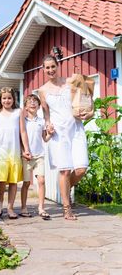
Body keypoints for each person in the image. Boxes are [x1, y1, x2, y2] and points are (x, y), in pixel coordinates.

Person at [39, 55, 93, 220]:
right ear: (43, 69)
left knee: (81, 169)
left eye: (53, 66)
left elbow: (89, 105)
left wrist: (89, 113)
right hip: (59, 133)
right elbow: (46, 114)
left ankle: (66, 185)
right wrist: (47, 124)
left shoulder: (72, 82)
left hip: (76, 128)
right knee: (64, 170)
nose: (50, 70)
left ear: (58, 65)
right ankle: (67, 208)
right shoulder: (42, 90)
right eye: (47, 68)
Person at [0, 87, 31, 219]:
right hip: (2, 151)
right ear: (0, 99)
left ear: (13, 99)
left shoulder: (18, 112)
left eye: (9, 98)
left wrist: (26, 149)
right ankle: (0, 200)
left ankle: (10, 208)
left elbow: (23, 132)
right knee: (1, 179)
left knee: (13, 181)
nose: (7, 100)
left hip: (15, 151)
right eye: (4, 98)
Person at [20, 94, 54, 220]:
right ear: (26, 107)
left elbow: (45, 139)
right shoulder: (23, 121)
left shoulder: (41, 121)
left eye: (35, 102)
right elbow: (20, 138)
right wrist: (24, 151)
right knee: (26, 183)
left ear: (39, 106)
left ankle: (41, 207)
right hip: (27, 157)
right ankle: (23, 207)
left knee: (41, 181)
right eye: (30, 102)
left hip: (39, 155)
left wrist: (50, 134)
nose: (33, 103)